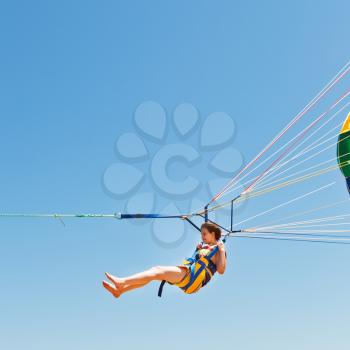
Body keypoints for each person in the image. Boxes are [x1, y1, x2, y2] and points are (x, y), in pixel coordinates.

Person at [102, 222, 226, 298]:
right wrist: (197, 250)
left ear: (213, 234)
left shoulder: (218, 249)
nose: (202, 237)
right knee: (154, 275)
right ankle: (121, 290)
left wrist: (221, 250)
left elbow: (221, 270)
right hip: (189, 277)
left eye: (204, 234)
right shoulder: (204, 247)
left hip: (192, 279)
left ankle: (122, 282)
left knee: (156, 270)